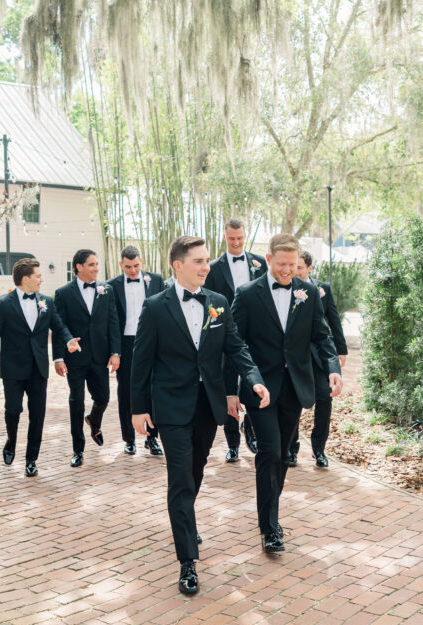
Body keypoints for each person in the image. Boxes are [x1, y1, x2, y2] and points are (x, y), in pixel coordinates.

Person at [131, 235, 269, 595]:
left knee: (194, 472)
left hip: (207, 407)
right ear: (178, 266)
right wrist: (138, 409)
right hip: (171, 407)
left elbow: (236, 346)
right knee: (180, 477)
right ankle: (187, 562)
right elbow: (141, 361)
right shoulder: (155, 307)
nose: (206, 267)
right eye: (199, 261)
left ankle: (185, 522)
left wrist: (253, 380)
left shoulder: (219, 304)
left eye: (207, 260)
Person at [228, 234, 342, 554]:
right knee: (271, 453)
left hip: (294, 387)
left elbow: (322, 336)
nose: (287, 271)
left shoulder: (308, 293)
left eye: (293, 265)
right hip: (260, 388)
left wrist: (333, 367)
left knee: (281, 457)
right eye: (281, 264)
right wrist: (233, 389)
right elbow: (235, 345)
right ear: (268, 259)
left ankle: (268, 511)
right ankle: (270, 527)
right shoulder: (247, 294)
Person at [0, 258, 81, 477]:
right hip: (13, 368)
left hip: (38, 368)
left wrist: (70, 340)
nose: (41, 279)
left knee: (38, 415)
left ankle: (31, 460)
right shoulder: (4, 303)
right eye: (38, 276)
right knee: (12, 410)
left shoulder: (47, 302)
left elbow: (59, 326)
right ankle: (11, 441)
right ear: (26, 279)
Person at [202, 218, 267, 463]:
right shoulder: (214, 267)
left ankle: (250, 425)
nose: (237, 242)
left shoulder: (260, 263)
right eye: (232, 239)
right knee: (228, 387)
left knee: (254, 381)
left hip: (256, 335)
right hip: (224, 335)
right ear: (224, 237)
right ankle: (232, 444)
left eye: (240, 238)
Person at [52, 249, 120, 467]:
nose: (96, 268)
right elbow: (58, 326)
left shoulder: (106, 290)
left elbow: (113, 323)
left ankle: (94, 420)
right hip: (75, 357)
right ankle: (78, 450)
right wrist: (58, 358)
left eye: (96, 264)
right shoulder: (63, 293)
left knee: (103, 398)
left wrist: (115, 352)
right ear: (79, 267)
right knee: (76, 402)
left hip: (100, 356)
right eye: (91, 264)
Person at [290, 252, 348, 468]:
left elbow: (333, 319)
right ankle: (291, 449)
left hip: (319, 355)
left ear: (309, 268)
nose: (295, 271)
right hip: (296, 356)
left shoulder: (322, 289)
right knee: (293, 400)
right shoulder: (287, 289)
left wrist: (340, 350)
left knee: (325, 398)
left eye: (299, 267)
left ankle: (319, 450)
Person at [106, 245, 166, 456]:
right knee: (126, 391)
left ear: (142, 262)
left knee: (153, 389)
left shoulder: (156, 280)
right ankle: (129, 438)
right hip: (125, 343)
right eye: (128, 267)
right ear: (121, 264)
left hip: (152, 342)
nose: (133, 270)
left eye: (136, 266)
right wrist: (115, 351)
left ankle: (152, 438)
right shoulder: (111, 286)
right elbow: (111, 322)